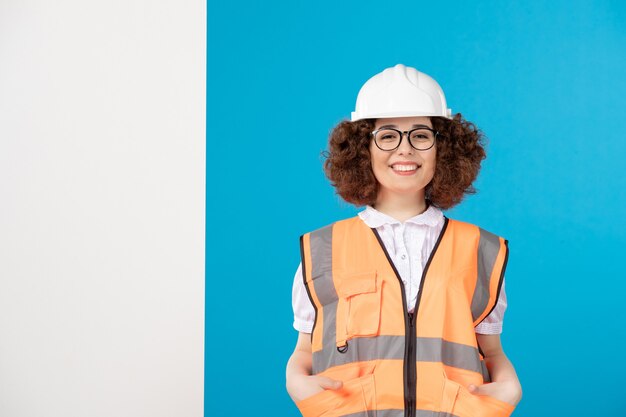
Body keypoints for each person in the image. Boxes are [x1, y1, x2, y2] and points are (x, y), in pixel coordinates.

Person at [285, 64, 522, 417]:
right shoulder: (323, 249)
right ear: (362, 148)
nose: (405, 149)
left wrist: (509, 388)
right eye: (388, 135)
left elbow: (492, 350)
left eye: (421, 135)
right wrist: (296, 382)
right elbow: (305, 349)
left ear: (444, 148)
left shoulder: (481, 249)